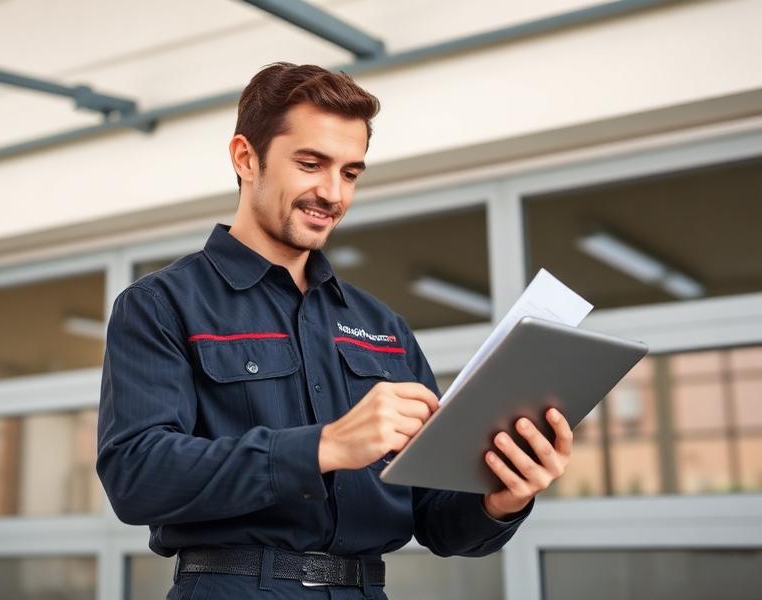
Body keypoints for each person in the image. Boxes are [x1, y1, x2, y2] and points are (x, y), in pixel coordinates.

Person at [96, 62, 573, 600]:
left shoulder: (382, 327)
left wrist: (502, 497)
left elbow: (437, 521)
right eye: (310, 163)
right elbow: (136, 476)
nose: (332, 193)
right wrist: (324, 446)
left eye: (350, 173)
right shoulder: (161, 305)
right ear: (245, 157)